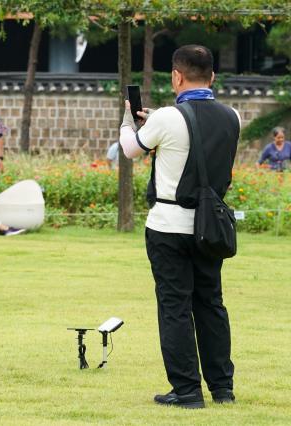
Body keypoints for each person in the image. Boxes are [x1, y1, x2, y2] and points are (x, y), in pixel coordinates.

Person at [118, 45, 240, 408]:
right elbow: (197, 137)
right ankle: (222, 388)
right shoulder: (232, 115)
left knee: (174, 306)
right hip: (210, 226)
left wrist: (129, 118)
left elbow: (130, 149)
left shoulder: (166, 119)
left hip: (169, 225)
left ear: (176, 76)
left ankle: (186, 390)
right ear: (212, 76)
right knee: (211, 304)